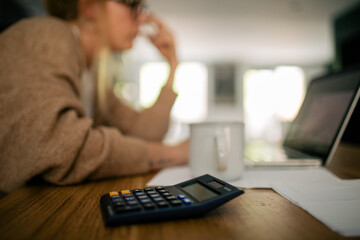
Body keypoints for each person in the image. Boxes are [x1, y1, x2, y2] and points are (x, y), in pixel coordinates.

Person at [0, 0, 189, 195]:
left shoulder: (93, 78)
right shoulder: (48, 33)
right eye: (132, 4)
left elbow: (146, 132)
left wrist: (173, 65)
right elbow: (60, 148)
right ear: (89, 6)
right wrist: (175, 153)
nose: (143, 18)